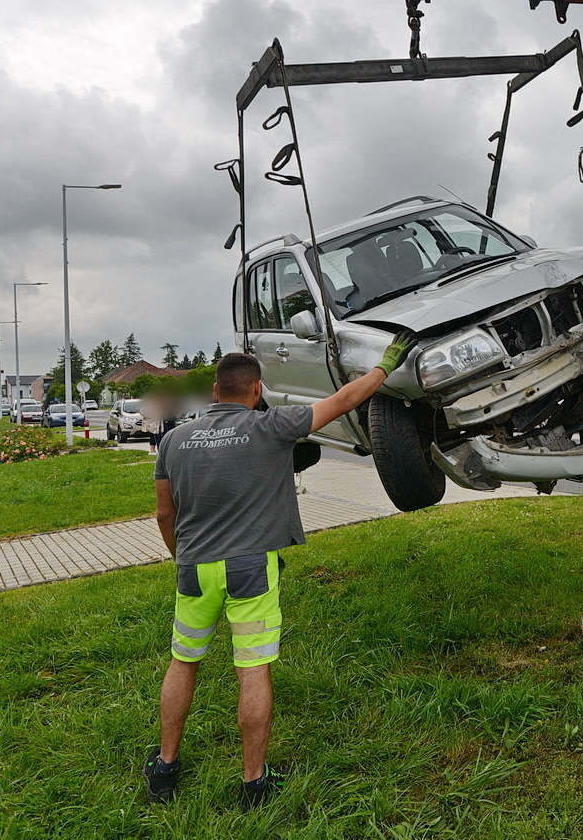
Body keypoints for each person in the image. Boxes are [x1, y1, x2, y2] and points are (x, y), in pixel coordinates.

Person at [143, 335, 410, 809]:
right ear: (257, 389)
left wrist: (180, 557)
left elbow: (165, 516)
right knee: (252, 668)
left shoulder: (174, 439)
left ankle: (165, 767)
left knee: (183, 661)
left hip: (194, 569)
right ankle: (253, 781)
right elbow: (344, 400)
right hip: (250, 570)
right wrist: (386, 365)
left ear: (214, 391)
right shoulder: (271, 426)